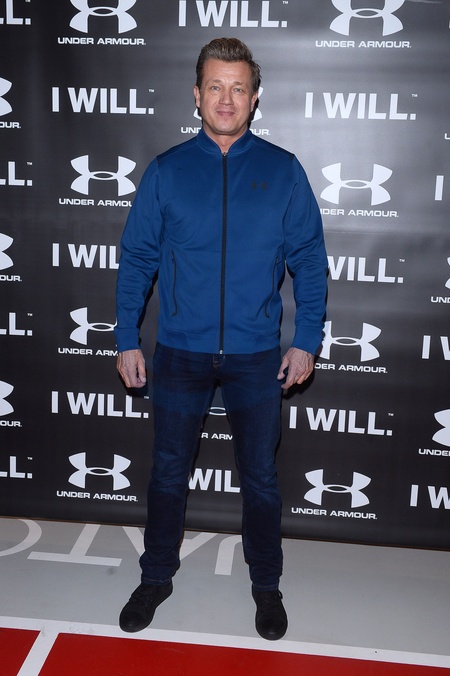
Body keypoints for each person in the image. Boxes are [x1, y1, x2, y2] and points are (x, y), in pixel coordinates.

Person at [115, 37, 327, 641]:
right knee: (166, 473)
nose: (226, 99)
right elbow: (137, 259)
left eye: (238, 88)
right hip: (180, 351)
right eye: (215, 86)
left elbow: (310, 262)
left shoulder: (284, 171)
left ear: (254, 98)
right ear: (196, 94)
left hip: (257, 355)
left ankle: (266, 586)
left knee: (260, 478)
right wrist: (125, 336)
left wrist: (306, 339)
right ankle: (156, 576)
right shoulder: (167, 171)